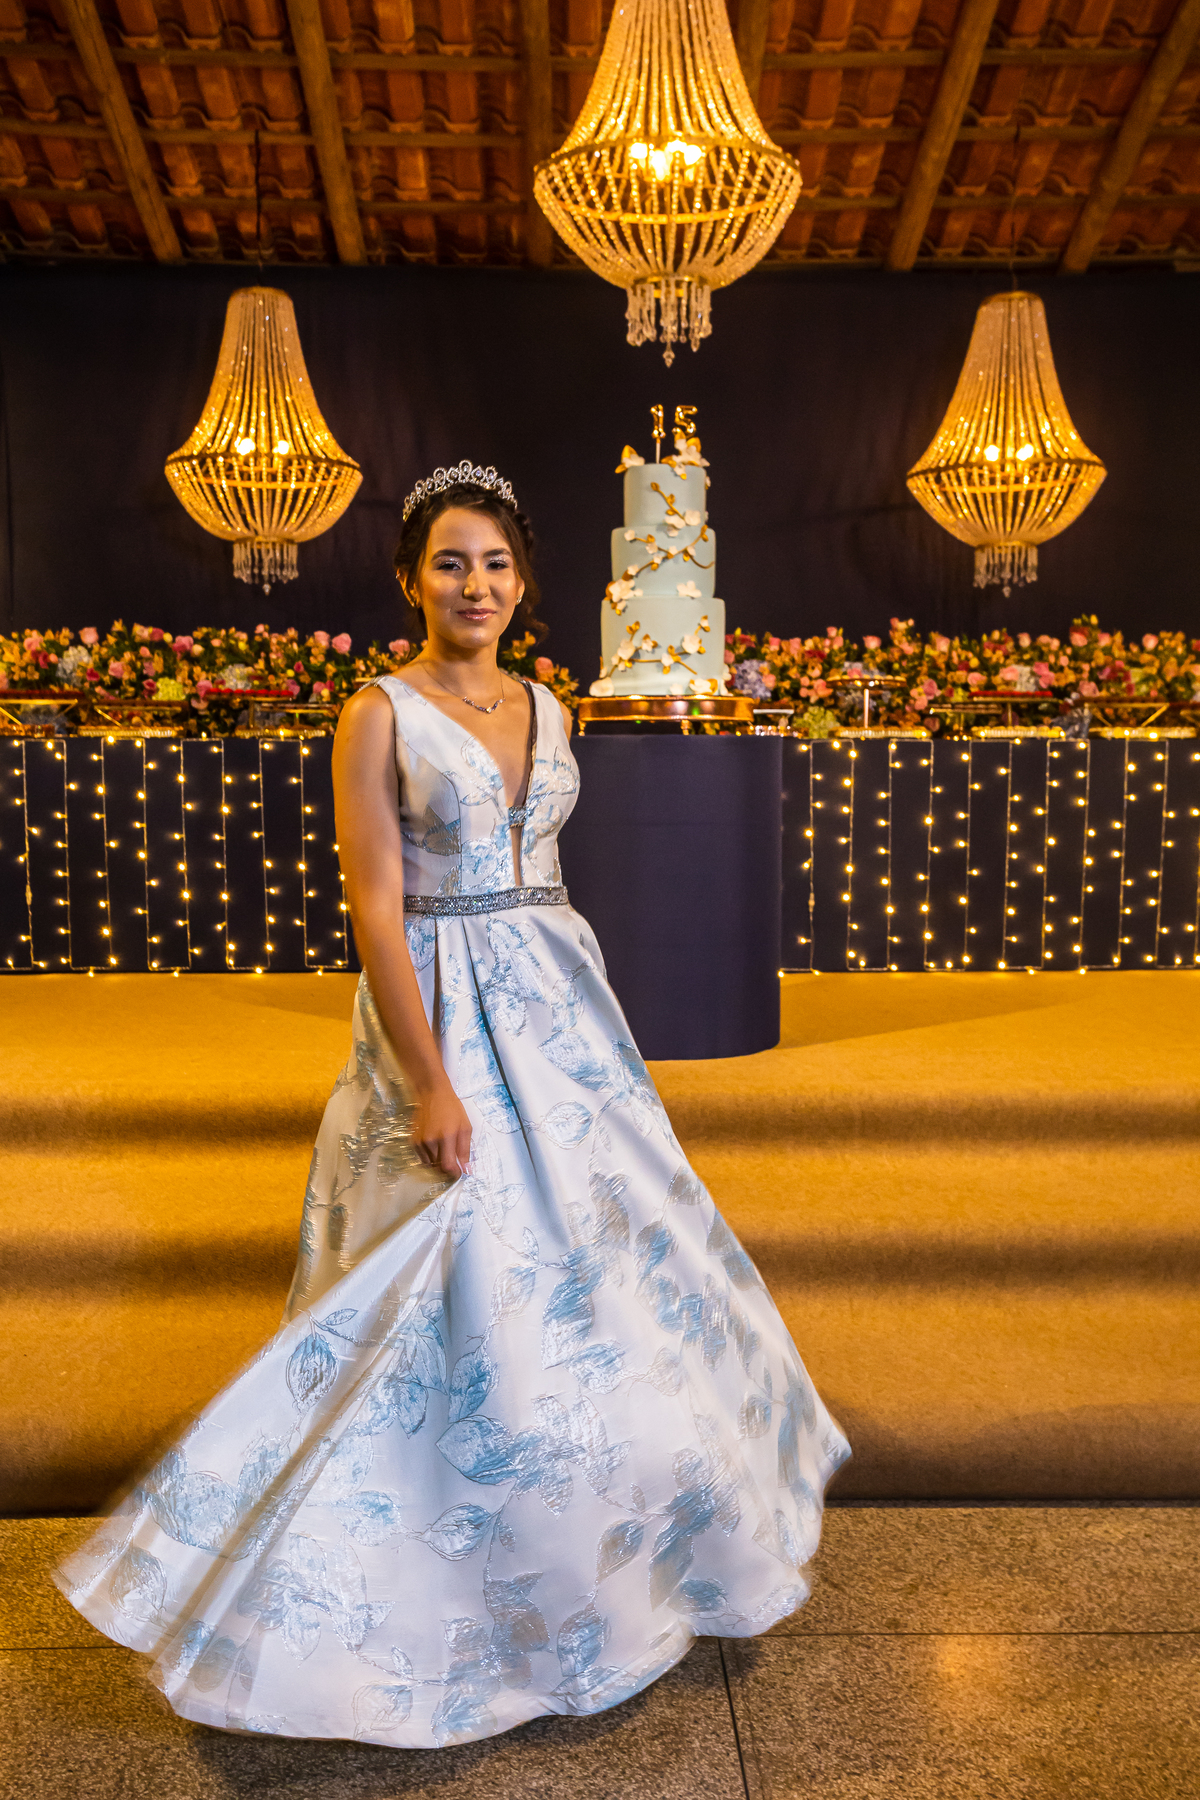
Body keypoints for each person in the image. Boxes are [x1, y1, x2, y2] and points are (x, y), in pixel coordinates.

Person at [57, 461, 849, 1747]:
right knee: (455, 1267)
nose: (473, 585)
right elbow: (375, 902)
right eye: (448, 564)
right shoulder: (377, 711)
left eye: (494, 564)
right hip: (437, 998)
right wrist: (428, 1079)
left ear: (525, 581)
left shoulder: (550, 701)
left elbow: (543, 864)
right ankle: (399, 1586)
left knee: (607, 1265)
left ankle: (606, 1557)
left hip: (558, 997)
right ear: (408, 578)